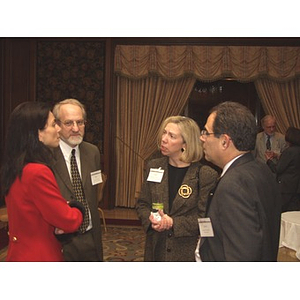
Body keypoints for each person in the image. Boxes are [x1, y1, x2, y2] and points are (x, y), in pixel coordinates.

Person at [197, 101, 282, 262]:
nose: (202, 138)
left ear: (224, 141)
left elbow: (241, 256)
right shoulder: (260, 169)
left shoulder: (234, 185)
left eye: (206, 132)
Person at [0, 102, 84, 262]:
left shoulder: (17, 167)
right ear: (38, 134)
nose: (59, 129)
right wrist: (76, 207)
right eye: (53, 124)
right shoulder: (37, 172)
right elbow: (69, 220)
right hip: (39, 256)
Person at [136, 116, 218, 261]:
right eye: (164, 133)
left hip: (186, 252)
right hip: (156, 249)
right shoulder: (154, 166)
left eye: (171, 136)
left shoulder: (205, 175)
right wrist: (150, 220)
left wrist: (173, 222)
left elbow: (205, 219)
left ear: (185, 144)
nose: (164, 139)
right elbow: (142, 203)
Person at [51, 98, 103, 261]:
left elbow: (93, 192)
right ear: (57, 125)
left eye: (80, 122)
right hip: (60, 240)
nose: (76, 128)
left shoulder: (92, 152)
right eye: (69, 123)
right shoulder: (47, 155)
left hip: (90, 237)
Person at [267, 126, 300, 212]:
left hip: (286, 188)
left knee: (282, 212)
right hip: (296, 188)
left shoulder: (289, 151)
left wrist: (268, 160)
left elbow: (278, 169)